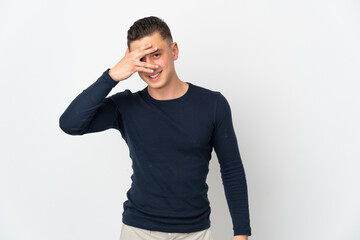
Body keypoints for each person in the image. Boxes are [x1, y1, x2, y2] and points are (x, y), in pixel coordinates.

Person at [59, 16, 252, 240]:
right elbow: (70, 124)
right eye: (142, 58)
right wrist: (111, 76)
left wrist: (241, 233)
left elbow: (232, 170)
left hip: (195, 232)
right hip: (138, 230)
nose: (150, 66)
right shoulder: (125, 106)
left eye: (157, 54)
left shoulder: (213, 104)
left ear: (174, 51)